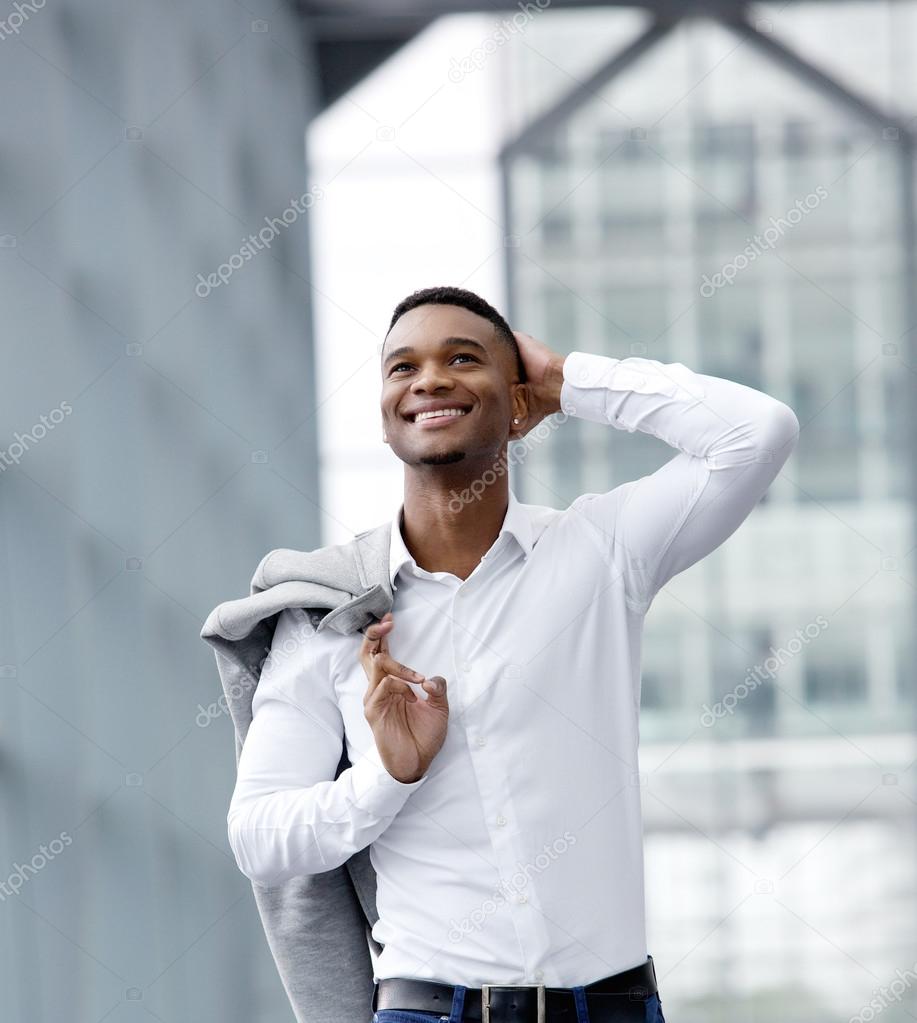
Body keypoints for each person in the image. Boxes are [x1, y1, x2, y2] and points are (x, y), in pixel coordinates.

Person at [226, 285, 800, 1023]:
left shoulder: (601, 550)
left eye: (462, 359)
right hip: (425, 1009)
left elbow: (757, 431)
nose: (428, 379)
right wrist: (387, 775)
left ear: (518, 404)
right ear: (385, 414)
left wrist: (567, 380)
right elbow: (259, 838)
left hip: (613, 1007)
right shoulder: (329, 612)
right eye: (402, 368)